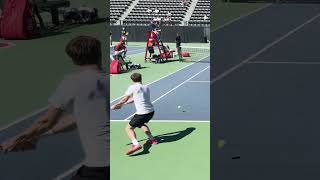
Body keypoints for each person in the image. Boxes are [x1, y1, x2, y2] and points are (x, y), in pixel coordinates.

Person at [0, 36, 109, 180]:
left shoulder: (72, 82)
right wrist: (38, 136)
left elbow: (46, 121)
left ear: (74, 60)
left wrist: (15, 139)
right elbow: (75, 119)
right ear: (99, 54)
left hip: (99, 166)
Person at [111, 73, 157, 155]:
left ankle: (136, 144)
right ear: (141, 78)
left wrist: (115, 105)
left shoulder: (132, 87)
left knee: (129, 128)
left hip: (142, 113)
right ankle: (152, 139)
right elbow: (136, 98)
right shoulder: (146, 87)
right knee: (142, 124)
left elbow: (124, 99)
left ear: (132, 80)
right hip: (151, 112)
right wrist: (125, 103)